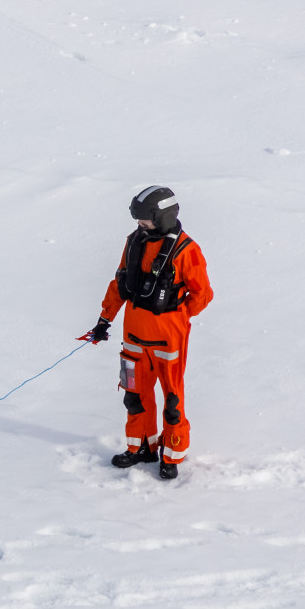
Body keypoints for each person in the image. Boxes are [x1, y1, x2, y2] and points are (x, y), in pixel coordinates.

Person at [83, 185, 214, 480]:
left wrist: (176, 314)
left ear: (163, 216)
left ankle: (171, 456)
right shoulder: (133, 242)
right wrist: (105, 319)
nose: (140, 226)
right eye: (138, 222)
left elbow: (202, 294)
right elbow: (119, 283)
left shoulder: (187, 250)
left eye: (146, 221)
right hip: (133, 338)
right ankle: (141, 448)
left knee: (172, 402)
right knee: (134, 396)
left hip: (169, 339)